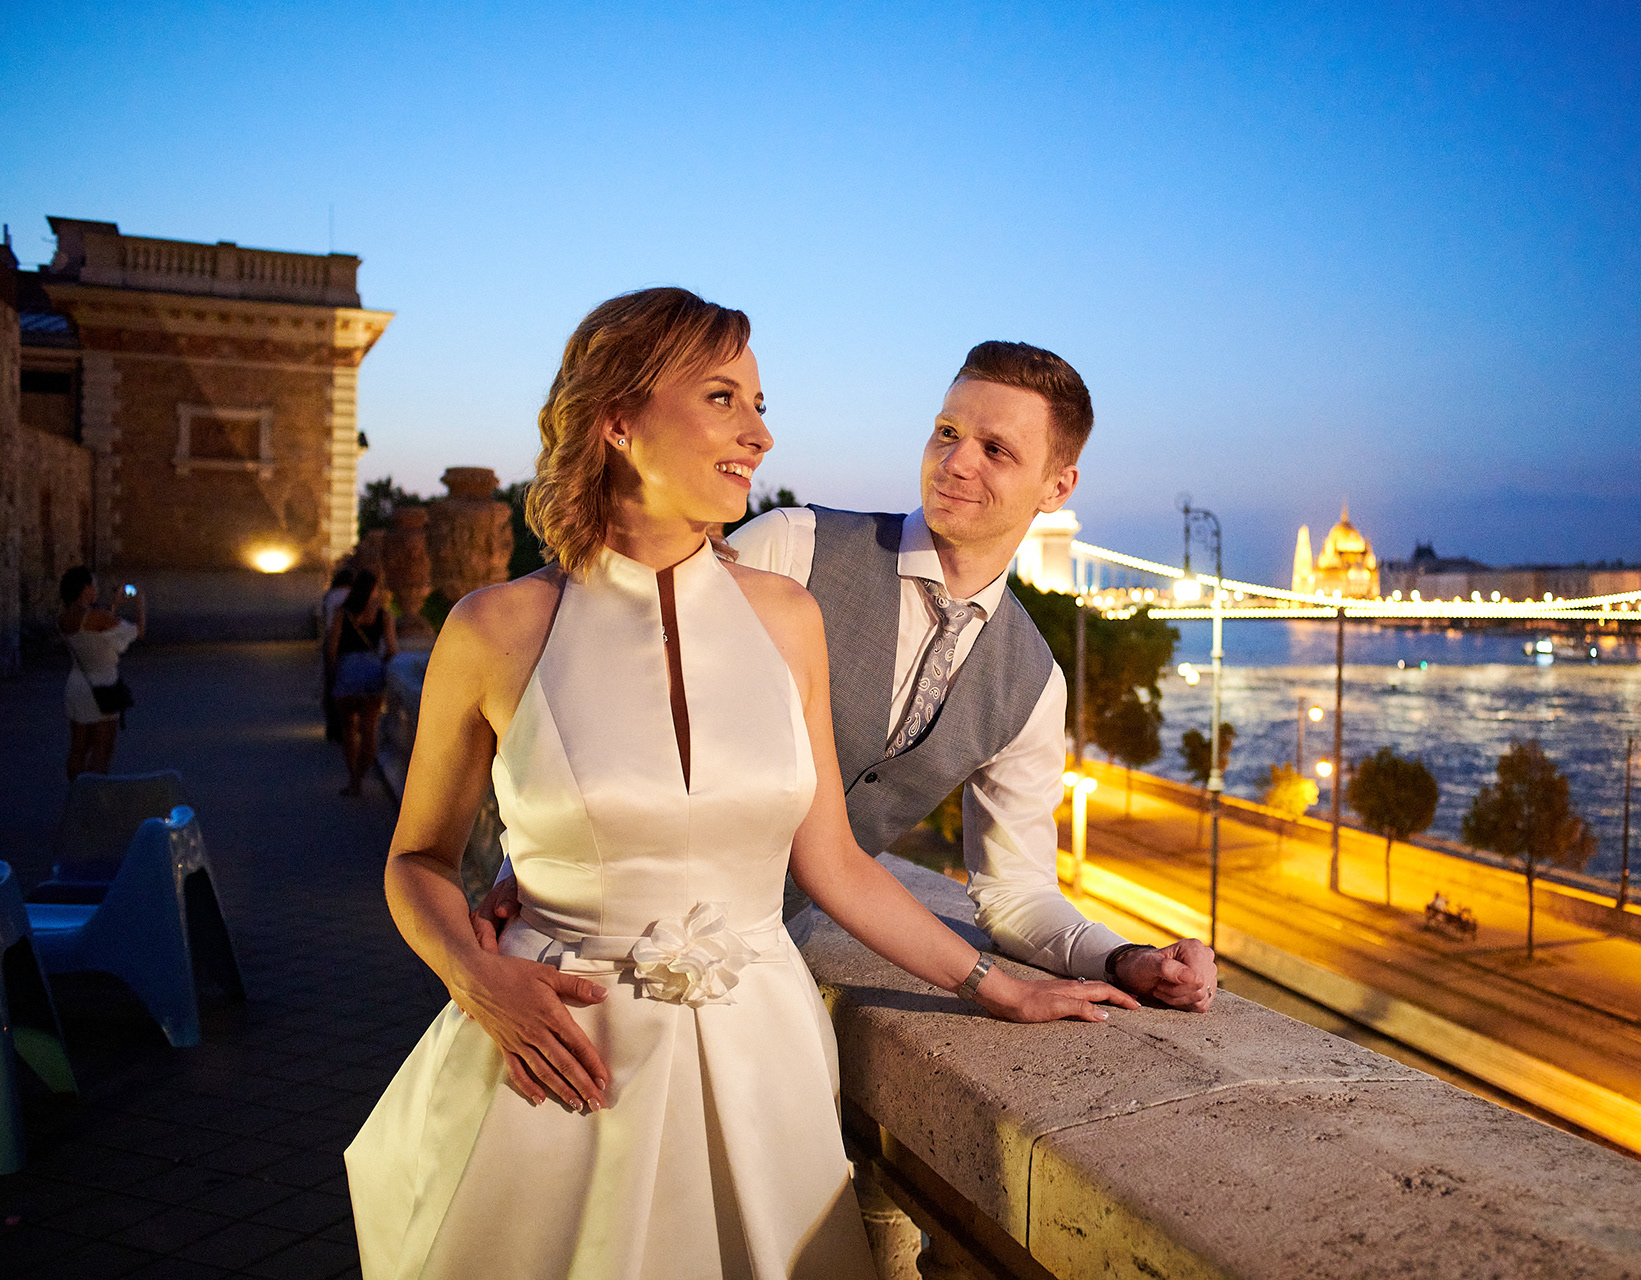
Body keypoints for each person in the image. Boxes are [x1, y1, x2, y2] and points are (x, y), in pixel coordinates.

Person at [345, 288, 1133, 1280]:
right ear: (618, 419)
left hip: (763, 1056)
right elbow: (417, 857)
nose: (759, 433)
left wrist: (1001, 984)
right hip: (556, 1049)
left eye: (760, 403)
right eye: (724, 399)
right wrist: (475, 971)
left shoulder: (786, 619)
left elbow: (835, 862)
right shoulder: (493, 628)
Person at [478, 341, 1220, 1011]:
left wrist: (1122, 957)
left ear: (1057, 489)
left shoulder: (1033, 684)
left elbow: (1017, 892)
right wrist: (529, 871)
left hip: (759, 966)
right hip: (584, 949)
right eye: (948, 432)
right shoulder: (793, 548)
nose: (956, 461)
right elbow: (606, 695)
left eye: (997, 450)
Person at [57, 565, 145, 782]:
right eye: (93, 585)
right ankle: (94, 800)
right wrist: (140, 603)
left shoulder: (65, 618)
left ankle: (77, 795)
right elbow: (137, 632)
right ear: (85, 588)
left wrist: (113, 607)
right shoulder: (98, 617)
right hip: (103, 687)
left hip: (77, 685)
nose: (96, 589)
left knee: (78, 747)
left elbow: (97, 636)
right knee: (102, 750)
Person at [326, 569, 398, 797]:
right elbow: (392, 650)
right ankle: (360, 776)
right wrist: (380, 667)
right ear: (373, 590)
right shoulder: (383, 616)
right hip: (371, 676)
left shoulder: (342, 614)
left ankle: (353, 781)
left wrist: (332, 677)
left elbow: (331, 650)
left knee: (348, 730)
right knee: (369, 732)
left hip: (347, 675)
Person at [321, 565, 356, 743]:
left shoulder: (330, 596)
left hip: (332, 641)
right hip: (349, 643)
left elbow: (326, 622)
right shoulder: (353, 595)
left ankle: (334, 727)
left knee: (332, 685)